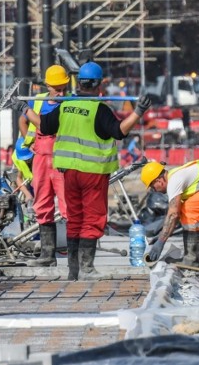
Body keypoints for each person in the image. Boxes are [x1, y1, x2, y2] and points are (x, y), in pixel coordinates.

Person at [15, 61, 152, 279]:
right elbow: (119, 131)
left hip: (69, 172)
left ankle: (73, 270)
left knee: (75, 217)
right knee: (93, 217)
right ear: (99, 84)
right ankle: (87, 268)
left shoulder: (66, 105)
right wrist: (138, 112)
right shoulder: (99, 108)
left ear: (78, 83)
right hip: (93, 172)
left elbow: (43, 125)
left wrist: (23, 108)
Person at [18, 65, 70, 267]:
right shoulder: (38, 101)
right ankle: (47, 255)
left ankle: (74, 254)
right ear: (48, 85)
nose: (61, 92)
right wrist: (28, 144)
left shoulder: (70, 101)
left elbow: (45, 124)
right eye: (57, 88)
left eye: (64, 87)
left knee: (68, 205)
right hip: (41, 157)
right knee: (42, 204)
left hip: (61, 157)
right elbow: (23, 123)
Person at [11, 136, 34, 207]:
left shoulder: (40, 154)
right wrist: (27, 195)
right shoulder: (16, 157)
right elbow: (19, 178)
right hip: (32, 185)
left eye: (29, 158)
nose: (27, 160)